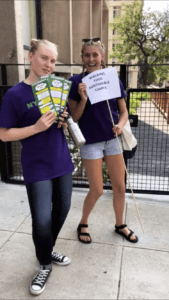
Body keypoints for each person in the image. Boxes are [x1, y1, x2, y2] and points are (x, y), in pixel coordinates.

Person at [0, 39, 74, 296]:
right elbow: (4, 134)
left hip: (62, 161)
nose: (49, 65)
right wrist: (36, 127)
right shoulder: (15, 95)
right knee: (42, 221)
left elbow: (60, 124)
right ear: (31, 57)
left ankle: (47, 247)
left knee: (62, 211)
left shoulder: (55, 89)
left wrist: (61, 122)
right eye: (44, 58)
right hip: (36, 167)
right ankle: (44, 264)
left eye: (53, 61)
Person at [68, 38, 138, 245]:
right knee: (97, 189)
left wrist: (120, 124)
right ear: (82, 58)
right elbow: (75, 117)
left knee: (120, 186)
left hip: (112, 139)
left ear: (102, 57)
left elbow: (123, 112)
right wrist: (83, 99)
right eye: (87, 55)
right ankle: (83, 222)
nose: (91, 59)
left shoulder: (112, 79)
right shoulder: (75, 82)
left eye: (95, 55)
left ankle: (120, 224)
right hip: (91, 142)